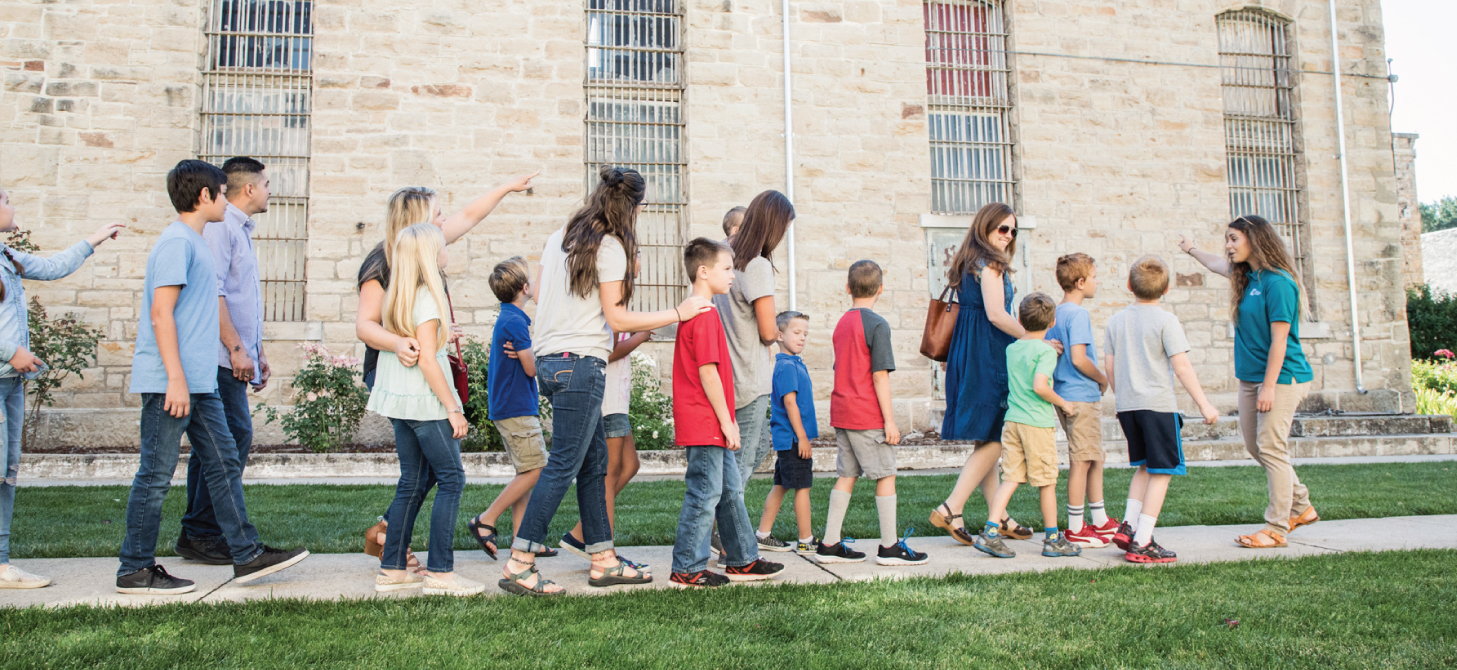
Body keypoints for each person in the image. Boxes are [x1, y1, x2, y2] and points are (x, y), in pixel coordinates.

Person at [499, 166, 709, 596]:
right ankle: (520, 562)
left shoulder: (560, 236)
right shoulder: (609, 244)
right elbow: (616, 317)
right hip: (581, 364)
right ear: (631, 206)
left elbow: (541, 294)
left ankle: (603, 559)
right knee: (564, 464)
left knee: (594, 465)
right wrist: (677, 312)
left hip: (551, 361)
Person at [117, 160, 308, 595]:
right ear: (205, 196)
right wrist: (176, 380)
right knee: (155, 472)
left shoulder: (197, 242)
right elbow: (161, 314)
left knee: (223, 461)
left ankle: (246, 554)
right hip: (174, 382)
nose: (228, 199)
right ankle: (134, 568)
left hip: (201, 380)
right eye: (223, 193)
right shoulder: (176, 243)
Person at [357, 173, 537, 567]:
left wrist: (505, 187)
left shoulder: (424, 253)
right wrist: (400, 342)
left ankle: (389, 539)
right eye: (438, 216)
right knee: (441, 472)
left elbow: (471, 214)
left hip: (424, 366)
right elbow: (365, 325)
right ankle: (404, 545)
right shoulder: (381, 264)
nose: (446, 222)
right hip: (401, 373)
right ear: (418, 221)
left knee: (428, 471)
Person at [0, 184, 124, 589]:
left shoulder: (7, 257)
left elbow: (53, 267)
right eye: (5, 200)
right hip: (4, 372)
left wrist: (93, 240)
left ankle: (1, 563)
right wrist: (10, 351)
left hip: (10, 383)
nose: (11, 205)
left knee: (7, 472)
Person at [1179, 216, 1318, 549]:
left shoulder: (1279, 282)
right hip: (1251, 378)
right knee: (1257, 446)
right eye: (1227, 240)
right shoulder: (1247, 276)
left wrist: (1269, 387)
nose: (1228, 246)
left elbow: (1280, 341)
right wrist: (1191, 249)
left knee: (1271, 446)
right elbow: (1215, 264)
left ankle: (1276, 528)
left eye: (1233, 239)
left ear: (1255, 240)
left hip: (1282, 377)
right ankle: (1302, 505)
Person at [368, 224, 479, 596]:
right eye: (442, 246)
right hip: (427, 404)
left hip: (399, 402)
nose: (447, 249)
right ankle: (442, 573)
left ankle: (393, 568)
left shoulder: (395, 296)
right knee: (452, 479)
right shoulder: (428, 299)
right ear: (431, 257)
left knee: (411, 482)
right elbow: (429, 361)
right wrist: (454, 408)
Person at [669, 238, 786, 588]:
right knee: (704, 494)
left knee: (730, 488)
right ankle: (687, 567)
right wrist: (727, 421)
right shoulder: (702, 314)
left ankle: (742, 559)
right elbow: (708, 373)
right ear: (703, 272)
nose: (733, 274)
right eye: (726, 268)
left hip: (712, 420)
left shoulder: (706, 310)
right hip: (706, 421)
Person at [176, 156, 272, 565]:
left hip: (233, 354)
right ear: (248, 188)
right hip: (219, 357)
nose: (270, 191)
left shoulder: (238, 228)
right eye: (266, 184)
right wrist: (235, 349)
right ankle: (202, 531)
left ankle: (199, 531)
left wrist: (256, 349)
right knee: (229, 441)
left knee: (217, 445)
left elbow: (242, 296)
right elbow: (212, 293)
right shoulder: (219, 228)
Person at [930, 203, 1043, 546]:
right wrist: (1033, 337)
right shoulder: (991, 264)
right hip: (988, 353)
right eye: (1001, 229)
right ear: (985, 228)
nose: (1007, 236)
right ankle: (951, 507)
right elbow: (996, 314)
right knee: (997, 433)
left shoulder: (969, 261)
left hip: (971, 350)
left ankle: (1001, 515)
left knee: (988, 435)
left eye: (1012, 231)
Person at [1104, 256, 1220, 563]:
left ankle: (1128, 526)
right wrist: (1204, 404)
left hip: (1128, 407)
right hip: (1157, 407)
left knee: (1144, 465)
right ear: (1166, 289)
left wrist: (1123, 396)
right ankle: (1143, 541)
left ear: (1129, 286)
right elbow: (1181, 367)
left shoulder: (1116, 321)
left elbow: (1110, 365)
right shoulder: (1166, 321)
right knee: (1162, 471)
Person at [820, 260, 929, 567]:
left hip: (841, 411)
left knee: (846, 475)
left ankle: (829, 543)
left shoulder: (841, 323)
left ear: (847, 288)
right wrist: (890, 421)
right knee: (886, 474)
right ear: (881, 289)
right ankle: (889, 546)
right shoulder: (877, 324)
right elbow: (880, 375)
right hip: (866, 414)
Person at [558, 256, 653, 571]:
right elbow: (609, 351)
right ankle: (604, 551)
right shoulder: (611, 298)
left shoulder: (622, 296)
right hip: (607, 397)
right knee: (608, 474)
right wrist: (641, 336)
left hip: (618, 398)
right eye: (636, 255)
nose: (641, 260)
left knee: (630, 465)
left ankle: (580, 534)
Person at [712, 191, 793, 554]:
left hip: (727, 372)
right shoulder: (756, 263)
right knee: (739, 470)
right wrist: (782, 332)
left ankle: (718, 533)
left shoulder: (724, 257)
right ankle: (729, 542)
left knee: (754, 448)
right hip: (749, 373)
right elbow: (765, 330)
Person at [972, 293, 1083, 559]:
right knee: (1046, 482)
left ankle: (990, 532)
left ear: (1020, 319)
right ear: (1053, 321)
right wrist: (1064, 404)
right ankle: (1053, 539)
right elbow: (1040, 386)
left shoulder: (1013, 348)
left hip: (1012, 422)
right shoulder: (1045, 351)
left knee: (1010, 478)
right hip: (1037, 424)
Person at [464, 257, 545, 562]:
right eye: (532, 280)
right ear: (525, 288)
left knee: (525, 472)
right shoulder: (515, 321)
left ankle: (522, 542)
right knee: (536, 469)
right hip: (517, 408)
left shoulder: (510, 317)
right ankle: (485, 520)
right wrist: (535, 353)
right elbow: (531, 369)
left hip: (510, 407)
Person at [1046, 253, 1119, 549]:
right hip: (1081, 396)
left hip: (1066, 394)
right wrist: (1102, 378)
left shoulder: (1055, 313)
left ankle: (1099, 520)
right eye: (1094, 276)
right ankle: (1076, 526)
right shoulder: (1078, 314)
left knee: (1094, 456)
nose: (1097, 281)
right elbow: (1078, 359)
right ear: (1080, 282)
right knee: (1081, 460)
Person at [756, 310, 818, 554]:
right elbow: (790, 403)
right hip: (793, 439)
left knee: (781, 485)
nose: (802, 338)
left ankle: (763, 534)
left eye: (805, 334)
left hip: (788, 439)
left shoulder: (792, 363)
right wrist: (802, 437)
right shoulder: (786, 367)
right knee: (803, 487)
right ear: (779, 335)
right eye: (796, 332)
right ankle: (806, 540)